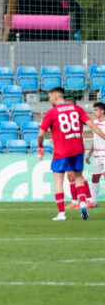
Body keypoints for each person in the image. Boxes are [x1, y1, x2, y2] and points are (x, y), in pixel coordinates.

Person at [37, 88, 105, 221]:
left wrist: (40, 146)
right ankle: (83, 207)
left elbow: (40, 134)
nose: (49, 100)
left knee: (58, 180)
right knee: (78, 177)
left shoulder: (52, 112)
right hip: (78, 149)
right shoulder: (77, 109)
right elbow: (92, 125)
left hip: (61, 150)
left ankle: (61, 214)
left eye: (50, 97)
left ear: (55, 97)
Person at [87, 101, 105, 207]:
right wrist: (90, 153)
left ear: (102, 111)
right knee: (95, 178)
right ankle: (94, 201)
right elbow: (95, 139)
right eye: (93, 110)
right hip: (97, 155)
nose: (94, 112)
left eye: (96, 110)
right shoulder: (93, 123)